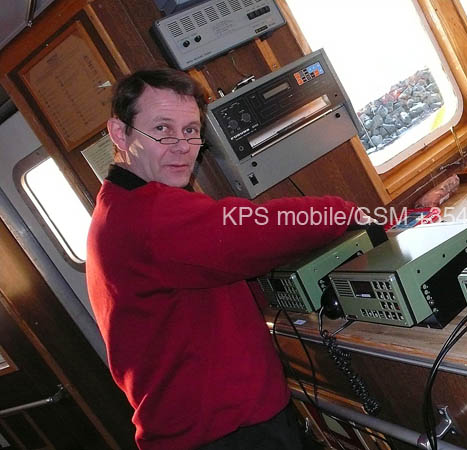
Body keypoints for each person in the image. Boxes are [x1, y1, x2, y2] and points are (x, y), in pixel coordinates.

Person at [86, 68, 364, 449]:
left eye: (190, 130)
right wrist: (346, 212)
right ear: (120, 134)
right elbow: (256, 230)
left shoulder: (116, 205)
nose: (182, 146)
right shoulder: (146, 214)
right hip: (225, 433)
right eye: (163, 129)